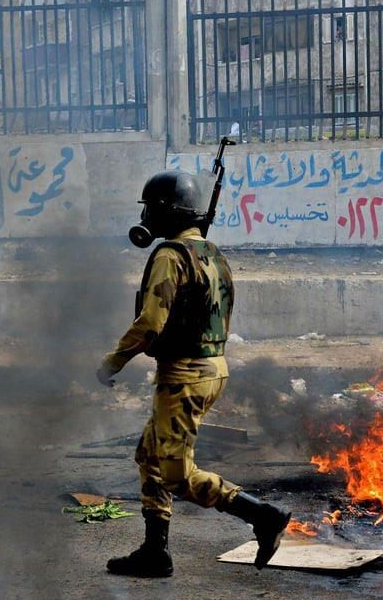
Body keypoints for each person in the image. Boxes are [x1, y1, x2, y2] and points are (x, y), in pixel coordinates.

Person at [97, 170, 291, 578]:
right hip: (212, 369)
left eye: (151, 207)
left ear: (167, 212)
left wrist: (111, 362)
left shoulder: (170, 255)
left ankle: (261, 515)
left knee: (177, 474)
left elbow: (150, 322)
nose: (147, 215)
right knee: (149, 455)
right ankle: (155, 550)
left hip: (184, 375)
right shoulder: (214, 254)